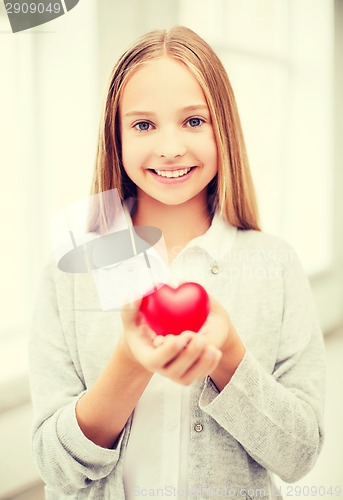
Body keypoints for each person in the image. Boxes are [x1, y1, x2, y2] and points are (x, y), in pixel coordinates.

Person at [29, 26, 326, 500]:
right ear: (117, 136)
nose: (170, 147)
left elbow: (299, 454)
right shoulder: (70, 271)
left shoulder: (276, 266)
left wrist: (229, 355)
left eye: (193, 121)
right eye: (144, 125)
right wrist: (129, 363)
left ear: (223, 127)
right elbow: (55, 467)